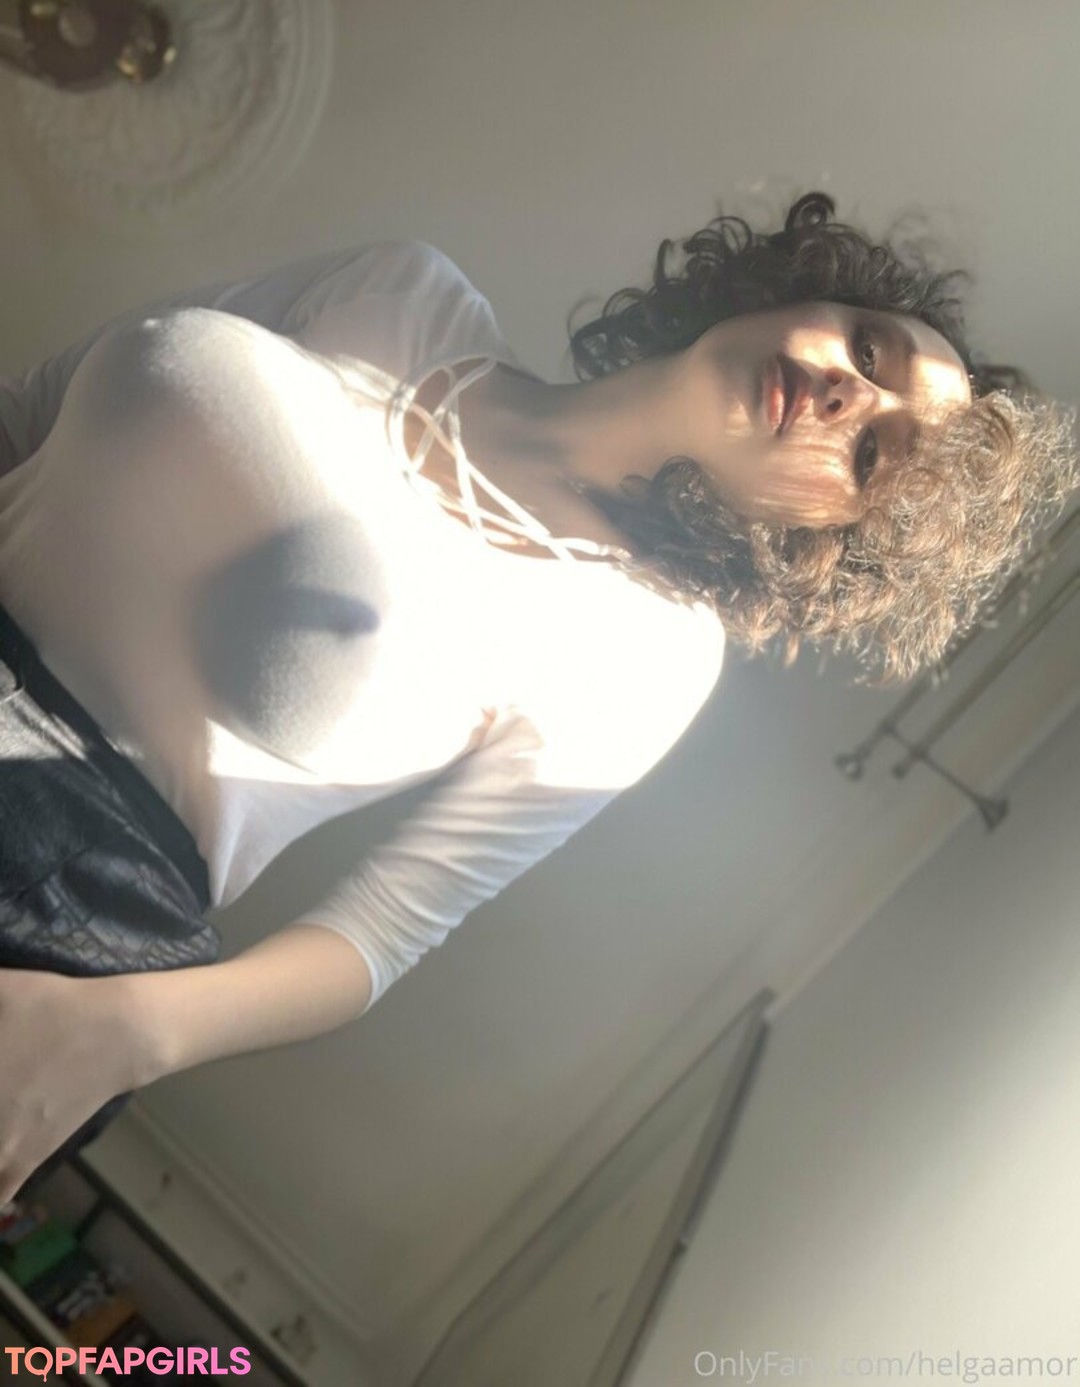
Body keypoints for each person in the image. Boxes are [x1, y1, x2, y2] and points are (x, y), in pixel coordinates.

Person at [0, 193, 1074, 1200]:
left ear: (820, 536)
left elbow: (379, 932)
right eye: (871, 350)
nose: (849, 393)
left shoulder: (648, 652)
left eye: (873, 451)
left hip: (51, 878)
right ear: (804, 291)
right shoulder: (402, 288)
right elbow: (37, 403)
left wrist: (131, 1030)